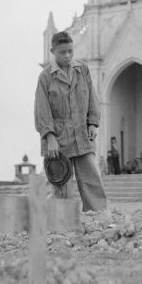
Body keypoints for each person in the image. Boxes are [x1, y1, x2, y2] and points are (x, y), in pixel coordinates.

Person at [34, 31, 108, 212]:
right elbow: (41, 110)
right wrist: (49, 138)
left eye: (70, 51)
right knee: (61, 186)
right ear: (53, 51)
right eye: (62, 52)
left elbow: (92, 98)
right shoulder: (45, 77)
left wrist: (92, 123)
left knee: (92, 181)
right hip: (58, 142)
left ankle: (97, 220)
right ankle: (62, 227)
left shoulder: (82, 70)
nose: (67, 56)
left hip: (83, 136)